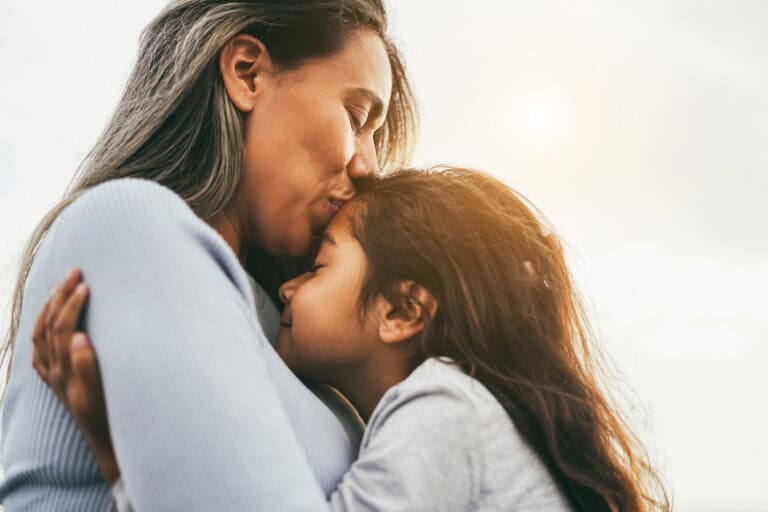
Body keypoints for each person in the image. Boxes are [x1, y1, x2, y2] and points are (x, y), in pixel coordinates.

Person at [33, 168, 671, 511]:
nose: (287, 290)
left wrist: (120, 457)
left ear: (401, 310)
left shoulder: (446, 409)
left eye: (319, 268)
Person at [0, 1, 416, 509]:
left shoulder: (282, 327)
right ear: (247, 73)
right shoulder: (134, 230)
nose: (370, 165)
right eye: (355, 117)